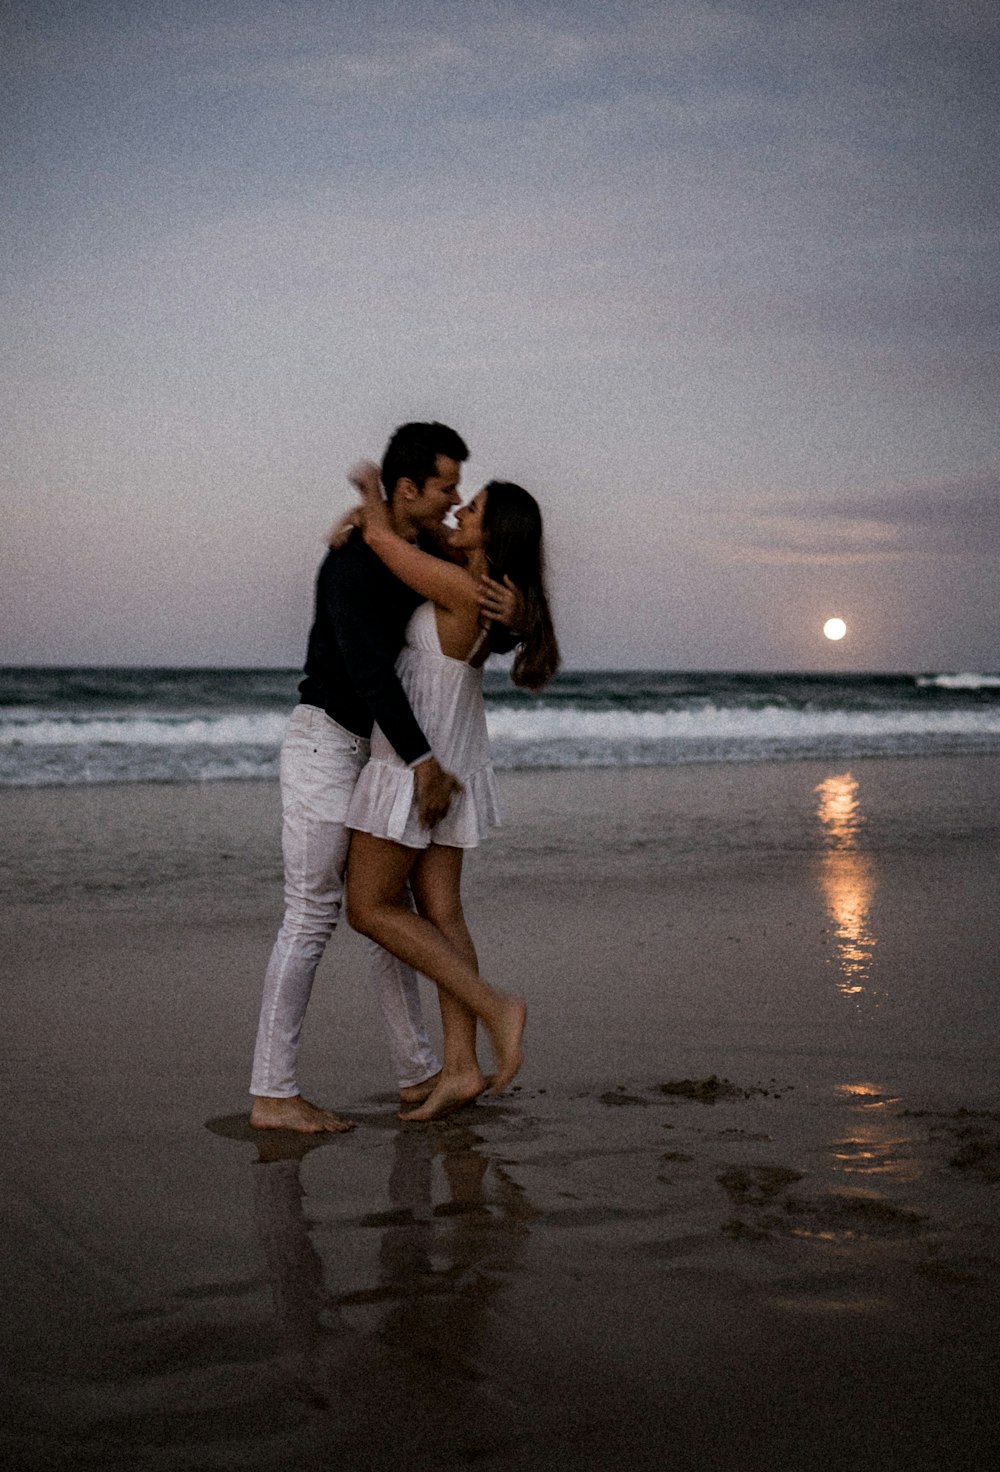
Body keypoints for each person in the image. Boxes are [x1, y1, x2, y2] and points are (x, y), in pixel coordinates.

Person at [249, 422, 522, 1134]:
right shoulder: (352, 564)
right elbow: (371, 670)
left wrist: (516, 619)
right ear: (409, 489)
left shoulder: (415, 547)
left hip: (378, 752)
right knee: (312, 913)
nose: (454, 501)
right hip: (326, 744)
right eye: (446, 488)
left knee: (389, 912)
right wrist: (426, 759)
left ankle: (418, 1073)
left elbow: (473, 606)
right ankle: (274, 1092)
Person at [344, 460, 560, 1121]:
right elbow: (421, 536)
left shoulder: (468, 588)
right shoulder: (487, 589)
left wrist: (369, 488)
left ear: (494, 534)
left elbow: (382, 542)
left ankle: (496, 1006)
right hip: (453, 750)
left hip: (422, 760)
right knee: (442, 912)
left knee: (367, 906)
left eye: (475, 510)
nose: (460, 510)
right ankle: (462, 1067)